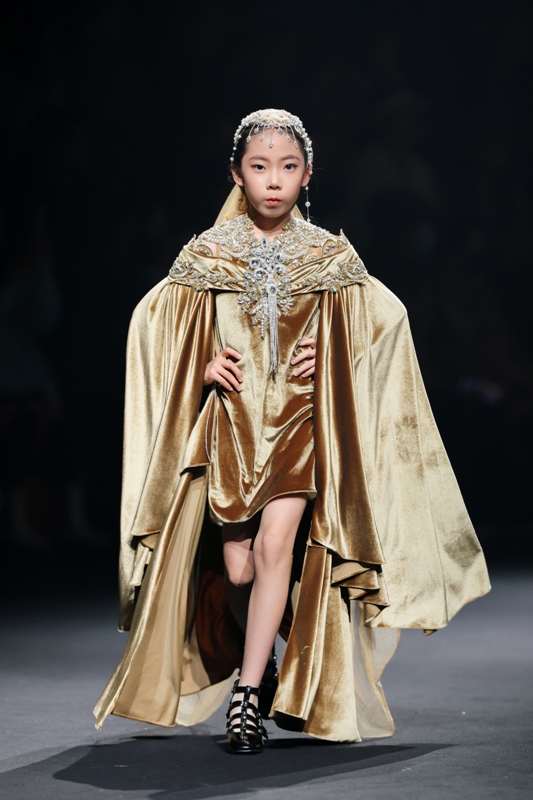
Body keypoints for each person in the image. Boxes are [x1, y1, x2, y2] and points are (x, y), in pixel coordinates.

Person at [94, 109, 490, 754]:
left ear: (307, 175)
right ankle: (267, 660)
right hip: (232, 425)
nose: (273, 180)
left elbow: (388, 322)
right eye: (259, 167)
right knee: (239, 570)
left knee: (277, 547)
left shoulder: (328, 257)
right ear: (236, 174)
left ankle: (246, 698)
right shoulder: (207, 254)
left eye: (287, 166)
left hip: (300, 424)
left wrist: (335, 352)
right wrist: (200, 363)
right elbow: (152, 323)